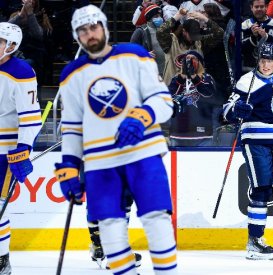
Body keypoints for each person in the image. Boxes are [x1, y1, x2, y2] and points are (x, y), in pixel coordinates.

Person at [54, 5, 176, 274]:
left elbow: (163, 101)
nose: (90, 34)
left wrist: (142, 116)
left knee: (157, 219)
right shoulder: (71, 75)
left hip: (142, 153)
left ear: (104, 27)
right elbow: (73, 128)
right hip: (99, 162)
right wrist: (69, 166)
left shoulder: (135, 56)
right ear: (77, 36)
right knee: (109, 227)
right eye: (83, 30)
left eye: (94, 26)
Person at [222, 42, 273, 260]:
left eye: (270, 61)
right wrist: (236, 110)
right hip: (257, 142)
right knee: (262, 190)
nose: (266, 65)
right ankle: (255, 240)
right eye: (263, 61)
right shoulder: (246, 82)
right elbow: (226, 110)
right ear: (258, 60)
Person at [0, 22, 42, 274]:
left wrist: (23, 149)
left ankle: (1, 259)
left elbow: (31, 117)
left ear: (12, 46)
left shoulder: (21, 72)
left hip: (5, 151)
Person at [168, 50, 216, 146]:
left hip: (202, 133)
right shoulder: (176, 79)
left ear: (200, 63)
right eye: (186, 59)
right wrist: (182, 77)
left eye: (192, 58)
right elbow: (169, 96)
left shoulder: (207, 78)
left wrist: (194, 77)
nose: (188, 61)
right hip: (178, 133)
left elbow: (208, 93)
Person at [241, 0, 273, 72]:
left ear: (266, 7)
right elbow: (240, 49)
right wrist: (253, 37)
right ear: (251, 8)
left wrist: (266, 37)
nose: (259, 9)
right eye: (256, 7)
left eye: (261, 6)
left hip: (272, 69)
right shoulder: (244, 25)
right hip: (249, 69)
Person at [130, 4, 166, 77]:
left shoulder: (164, 29)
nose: (159, 18)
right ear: (149, 18)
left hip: (164, 71)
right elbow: (131, 51)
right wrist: (144, 54)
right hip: (149, 72)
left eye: (160, 16)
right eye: (156, 16)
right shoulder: (140, 31)